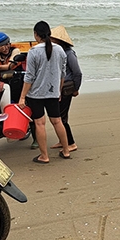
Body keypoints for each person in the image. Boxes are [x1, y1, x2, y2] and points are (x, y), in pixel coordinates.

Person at [18, 21, 71, 163]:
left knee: (40, 123)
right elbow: (62, 74)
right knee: (57, 121)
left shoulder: (34, 52)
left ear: (36, 35)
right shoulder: (59, 50)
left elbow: (29, 77)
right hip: (53, 91)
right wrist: (58, 91)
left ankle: (44, 156)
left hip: (36, 94)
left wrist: (22, 97)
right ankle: (66, 151)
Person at [49, 25, 82, 153]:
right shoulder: (58, 52)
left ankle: (71, 143)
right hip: (59, 87)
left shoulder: (69, 53)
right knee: (60, 116)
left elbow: (77, 73)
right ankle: (63, 141)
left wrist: (76, 88)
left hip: (67, 87)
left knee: (60, 117)